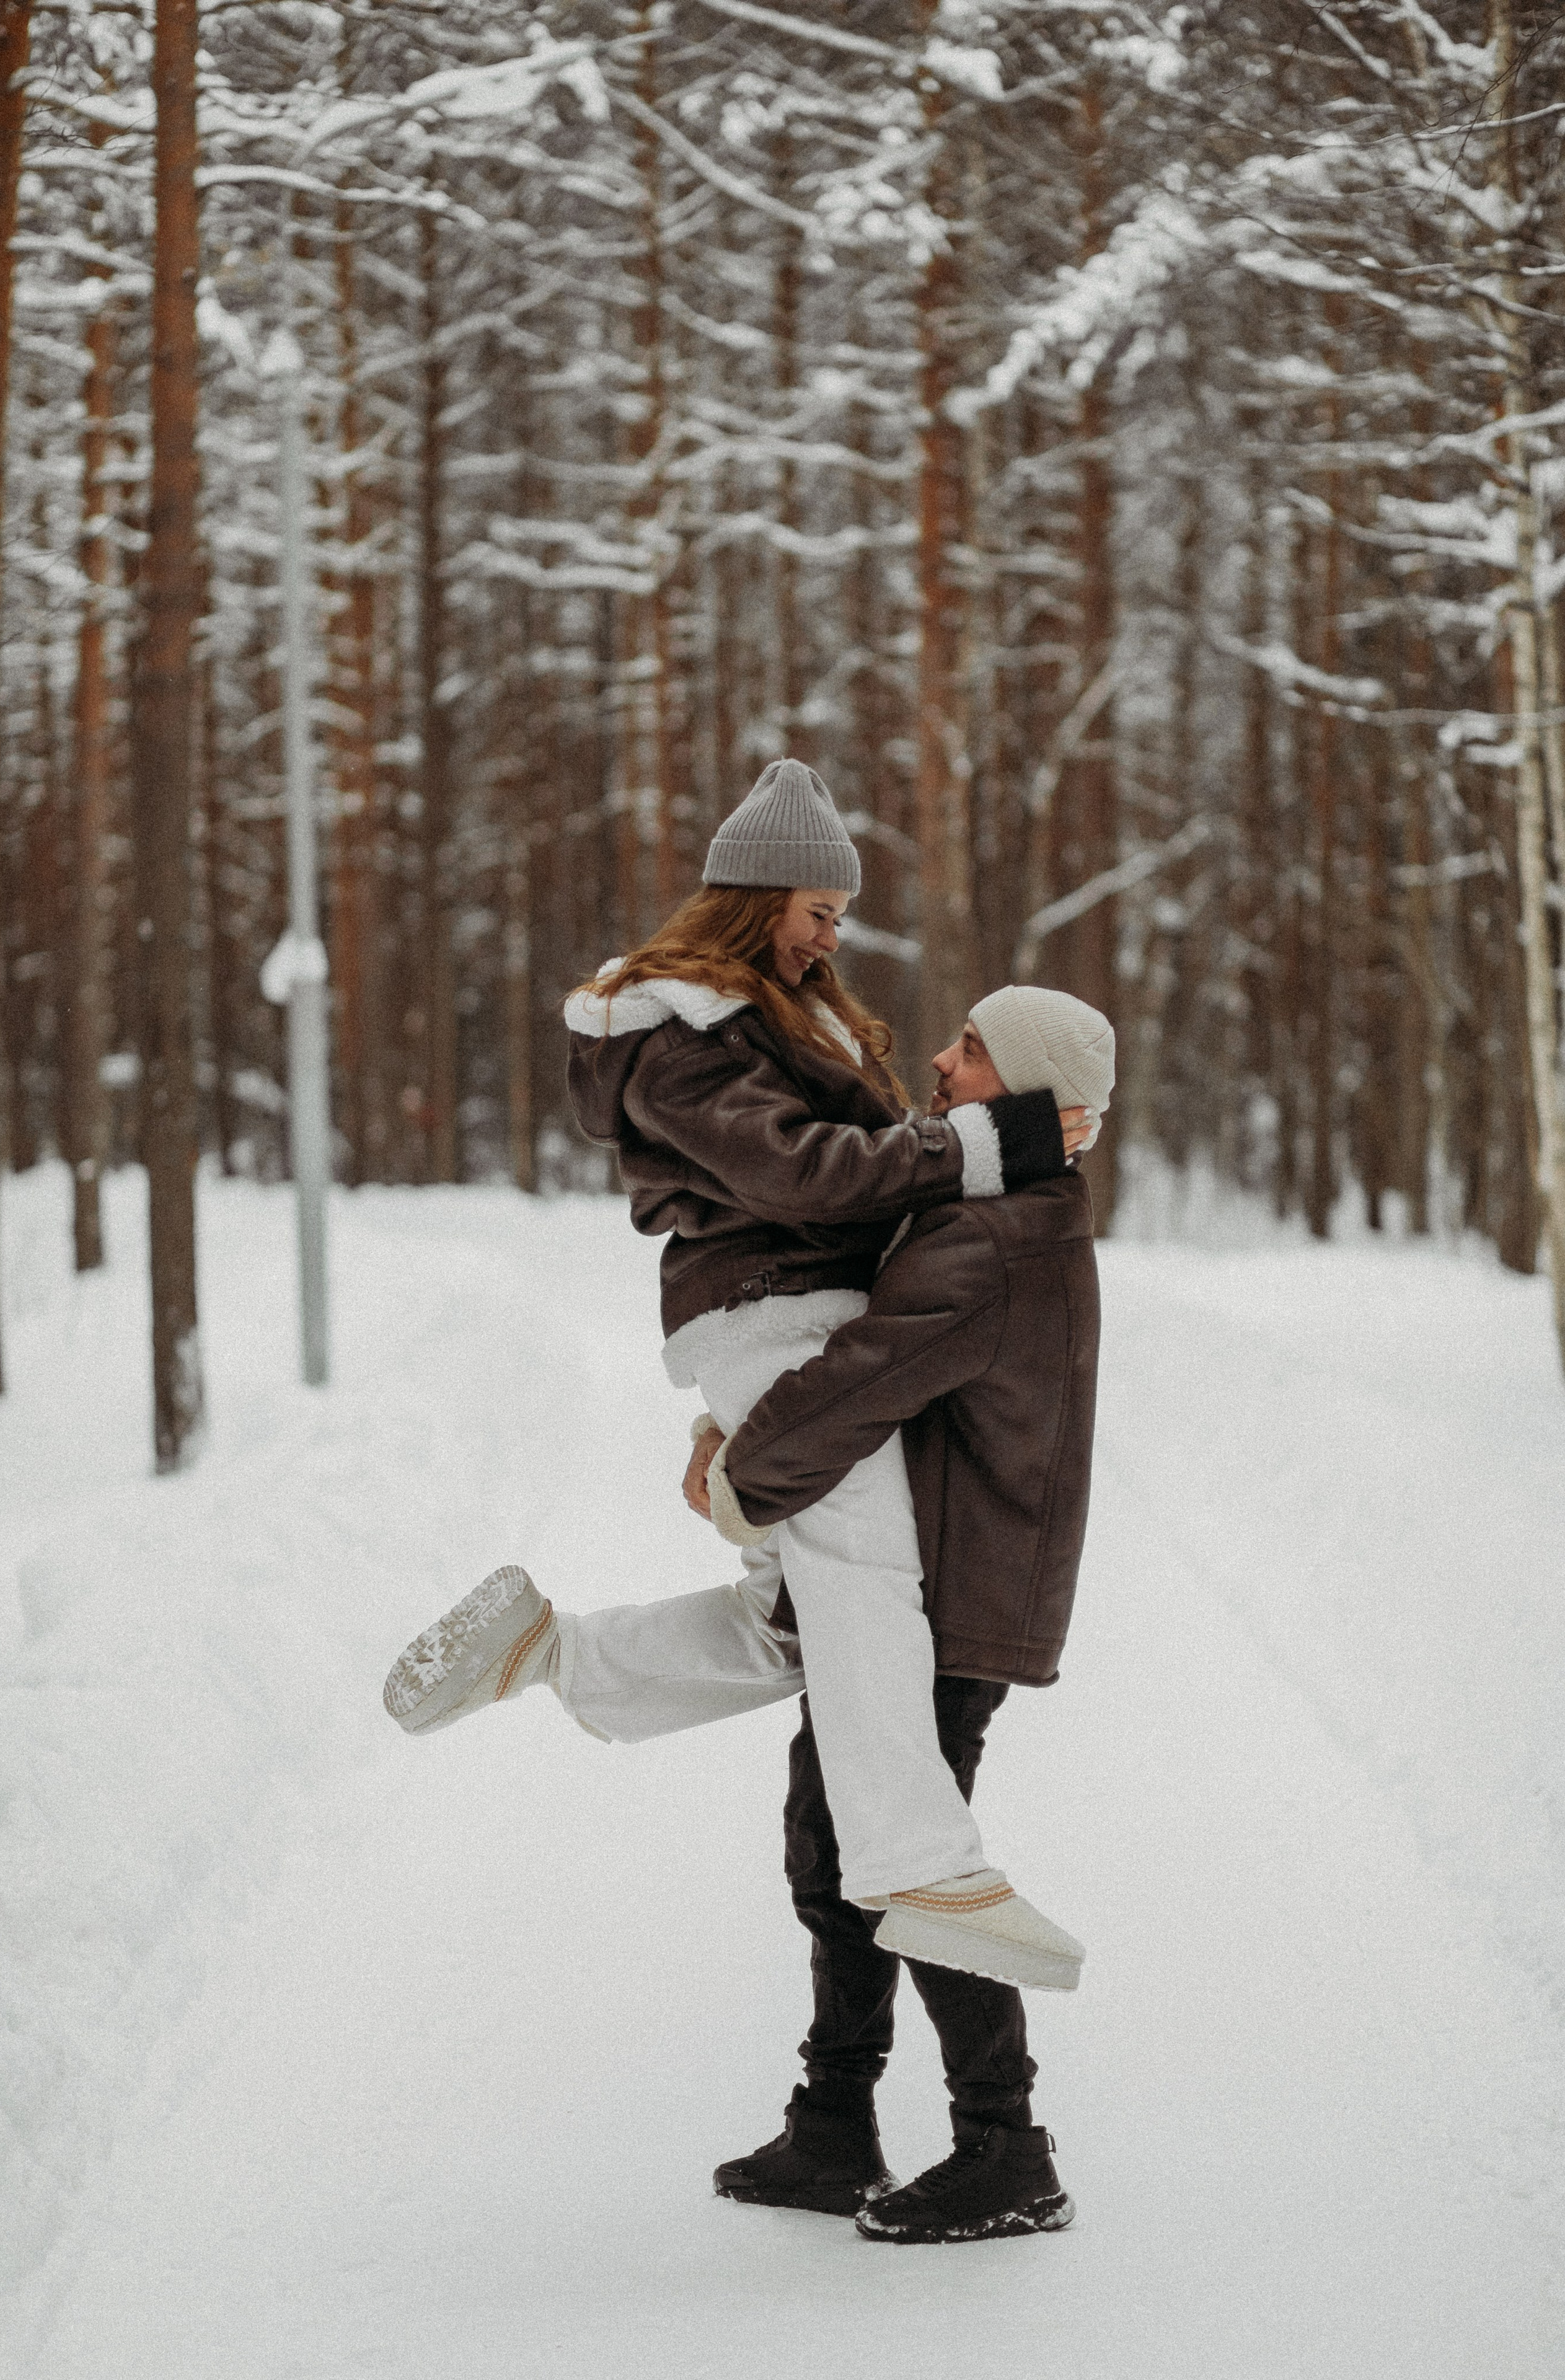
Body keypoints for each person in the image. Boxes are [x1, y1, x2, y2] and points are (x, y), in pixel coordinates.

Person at [382, 760, 1087, 1984]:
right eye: (821, 913)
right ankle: (922, 1864)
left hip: (796, 1317)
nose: (832, 940)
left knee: (791, 1622)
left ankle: (550, 1654)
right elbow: (804, 1177)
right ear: (759, 895)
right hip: (778, 1319)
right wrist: (995, 1139)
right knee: (863, 1579)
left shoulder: (765, 1015)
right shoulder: (683, 1035)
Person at [694, 981, 1110, 2245]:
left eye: (973, 1050)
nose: (939, 1058)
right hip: (903, 1590)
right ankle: (834, 2123)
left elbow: (861, 1379)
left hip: (945, 1596)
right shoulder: (986, 1206)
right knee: (837, 1847)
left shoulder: (997, 1239)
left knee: (903, 1860)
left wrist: (738, 1474)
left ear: (1032, 1094)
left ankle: (1004, 2146)